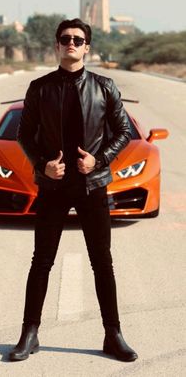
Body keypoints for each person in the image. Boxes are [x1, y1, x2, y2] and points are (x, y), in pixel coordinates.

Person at [9, 18, 138, 363]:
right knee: (41, 263)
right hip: (53, 186)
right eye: (65, 38)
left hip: (92, 186)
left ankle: (113, 335)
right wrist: (42, 166)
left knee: (102, 263)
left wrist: (99, 160)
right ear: (56, 45)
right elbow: (24, 134)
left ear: (87, 47)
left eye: (78, 39)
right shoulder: (40, 87)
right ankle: (29, 334)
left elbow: (123, 132)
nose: (71, 43)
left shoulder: (104, 86)